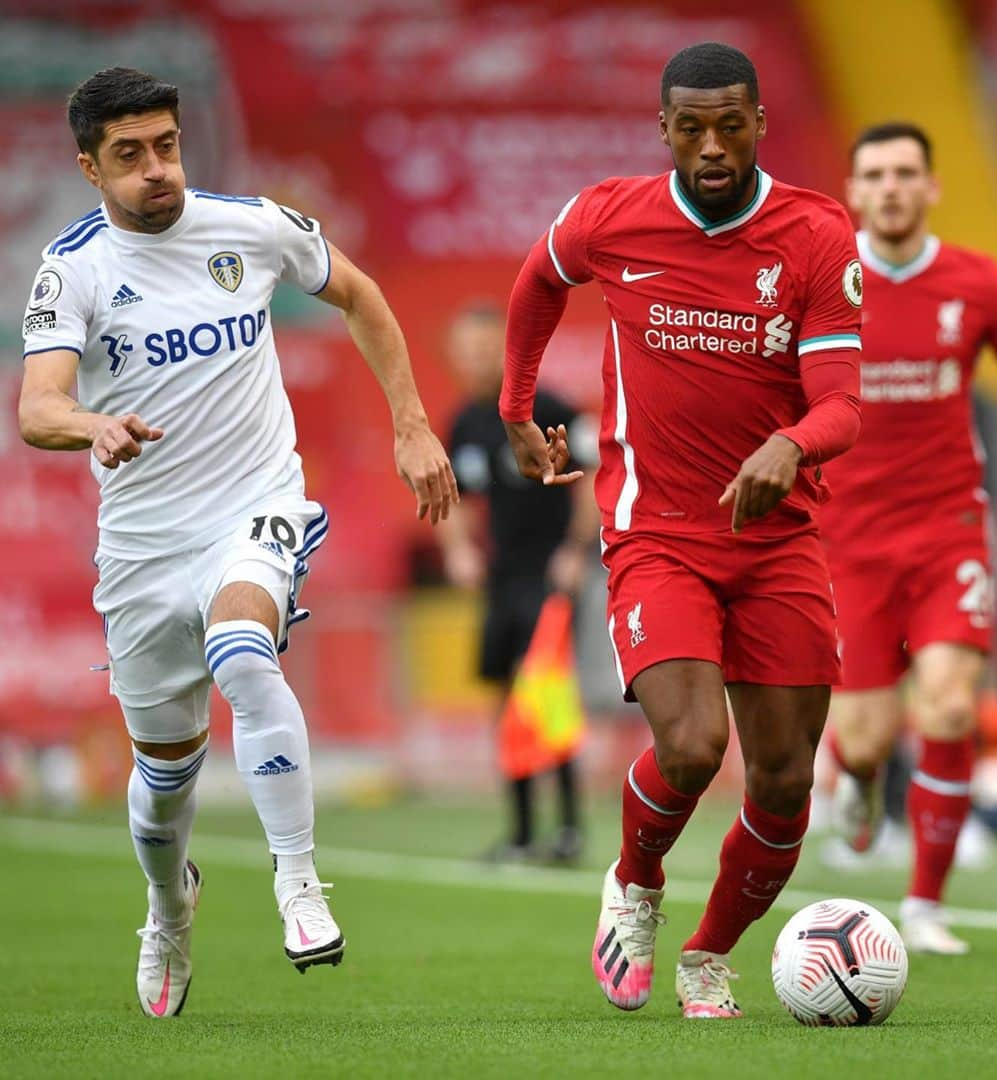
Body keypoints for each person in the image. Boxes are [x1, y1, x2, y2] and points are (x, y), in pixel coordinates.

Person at [18, 67, 457, 1017]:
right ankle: (168, 910)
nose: (157, 170)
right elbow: (37, 405)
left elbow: (362, 294)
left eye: (166, 146)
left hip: (254, 506)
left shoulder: (251, 227)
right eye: (129, 156)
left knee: (244, 650)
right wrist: (92, 425)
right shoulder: (76, 268)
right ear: (89, 166)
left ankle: (299, 886)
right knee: (163, 784)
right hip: (143, 547)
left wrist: (411, 423)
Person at [500, 42, 863, 1019]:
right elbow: (539, 280)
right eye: (692, 126)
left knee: (785, 783)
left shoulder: (817, 235)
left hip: (780, 541)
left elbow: (841, 405)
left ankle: (711, 953)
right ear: (664, 129)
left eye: (731, 124)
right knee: (696, 745)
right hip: (654, 529)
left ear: (759, 125)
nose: (712, 145)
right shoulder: (610, 216)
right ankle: (635, 884)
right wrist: (515, 402)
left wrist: (791, 444)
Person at [819, 121, 997, 955]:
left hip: (946, 534)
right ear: (853, 191)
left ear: (931, 187)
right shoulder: (824, 284)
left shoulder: (975, 280)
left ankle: (925, 905)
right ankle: (853, 787)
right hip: (847, 545)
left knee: (951, 705)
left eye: (905, 174)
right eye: (875, 174)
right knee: (862, 736)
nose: (890, 187)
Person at [438, 301, 598, 863]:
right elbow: (449, 495)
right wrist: (458, 550)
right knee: (508, 703)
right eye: (468, 352)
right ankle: (523, 831)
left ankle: (570, 828)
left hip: (548, 575)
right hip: (501, 580)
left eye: (487, 350)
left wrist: (577, 552)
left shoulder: (547, 407)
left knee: (548, 697)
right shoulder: (463, 423)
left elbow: (590, 481)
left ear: (505, 351)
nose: (479, 361)